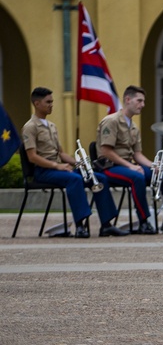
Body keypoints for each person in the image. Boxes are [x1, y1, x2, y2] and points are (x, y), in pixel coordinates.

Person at [21, 86, 125, 238]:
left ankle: (106, 224)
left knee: (99, 178)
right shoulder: (30, 127)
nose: (51, 105)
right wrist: (58, 166)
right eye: (48, 102)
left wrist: (79, 163)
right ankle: (80, 225)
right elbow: (32, 157)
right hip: (44, 171)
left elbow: (61, 153)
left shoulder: (51, 126)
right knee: (74, 179)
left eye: (52, 101)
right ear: (37, 104)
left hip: (58, 170)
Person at [99, 85, 163, 234]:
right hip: (110, 167)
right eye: (139, 101)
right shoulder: (111, 121)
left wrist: (153, 165)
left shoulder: (133, 127)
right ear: (128, 100)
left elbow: (137, 154)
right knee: (137, 177)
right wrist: (131, 166)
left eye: (143, 101)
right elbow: (106, 151)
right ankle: (144, 222)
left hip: (128, 166)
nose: (143, 105)